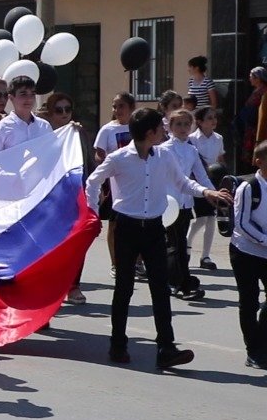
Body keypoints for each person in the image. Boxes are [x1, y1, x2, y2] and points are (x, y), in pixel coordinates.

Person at [85, 108, 231, 368]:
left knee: (160, 289)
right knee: (124, 288)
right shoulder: (119, 158)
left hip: (154, 228)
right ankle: (118, 345)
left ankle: (166, 348)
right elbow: (93, 181)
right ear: (150, 132)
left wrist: (207, 192)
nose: (164, 132)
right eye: (161, 128)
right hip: (127, 228)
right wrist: (93, 213)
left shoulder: (164, 155)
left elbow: (183, 182)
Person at [43, 92, 94, 305]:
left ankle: (74, 286)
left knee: (77, 240)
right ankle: (52, 287)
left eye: (67, 109)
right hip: (50, 197)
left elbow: (88, 162)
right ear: (50, 113)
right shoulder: (42, 134)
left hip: (75, 193)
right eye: (59, 110)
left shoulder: (77, 132)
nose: (64, 114)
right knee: (52, 245)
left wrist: (92, 187)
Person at [159, 108, 212, 301]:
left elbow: (202, 176)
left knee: (179, 243)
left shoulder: (191, 150)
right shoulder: (164, 149)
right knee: (175, 243)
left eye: (186, 124)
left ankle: (178, 280)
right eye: (178, 124)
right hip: (167, 204)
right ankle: (180, 282)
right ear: (170, 127)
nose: (182, 128)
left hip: (185, 203)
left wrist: (213, 193)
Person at [231, 140, 267, 369]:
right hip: (245, 251)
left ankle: (262, 341)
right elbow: (241, 223)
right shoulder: (249, 187)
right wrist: (264, 240)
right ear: (258, 161)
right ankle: (253, 350)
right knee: (249, 300)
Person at [95, 92, 137, 274]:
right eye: (114, 106)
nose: (117, 110)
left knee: (138, 222)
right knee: (115, 224)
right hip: (115, 184)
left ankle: (138, 262)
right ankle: (115, 263)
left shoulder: (138, 127)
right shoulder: (107, 130)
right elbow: (99, 153)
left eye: (121, 106)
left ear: (131, 108)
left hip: (137, 181)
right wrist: (107, 164)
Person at [190, 106, 225, 270]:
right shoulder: (192, 139)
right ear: (200, 122)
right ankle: (187, 248)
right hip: (197, 182)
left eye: (214, 117)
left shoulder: (218, 138)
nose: (213, 121)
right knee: (202, 218)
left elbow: (220, 159)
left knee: (210, 218)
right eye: (209, 118)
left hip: (213, 182)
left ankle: (205, 256)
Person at [0, 76, 52, 158]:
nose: (29, 99)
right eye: (23, 94)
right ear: (11, 98)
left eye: (32, 94)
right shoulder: (2, 128)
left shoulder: (44, 126)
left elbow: (53, 153)